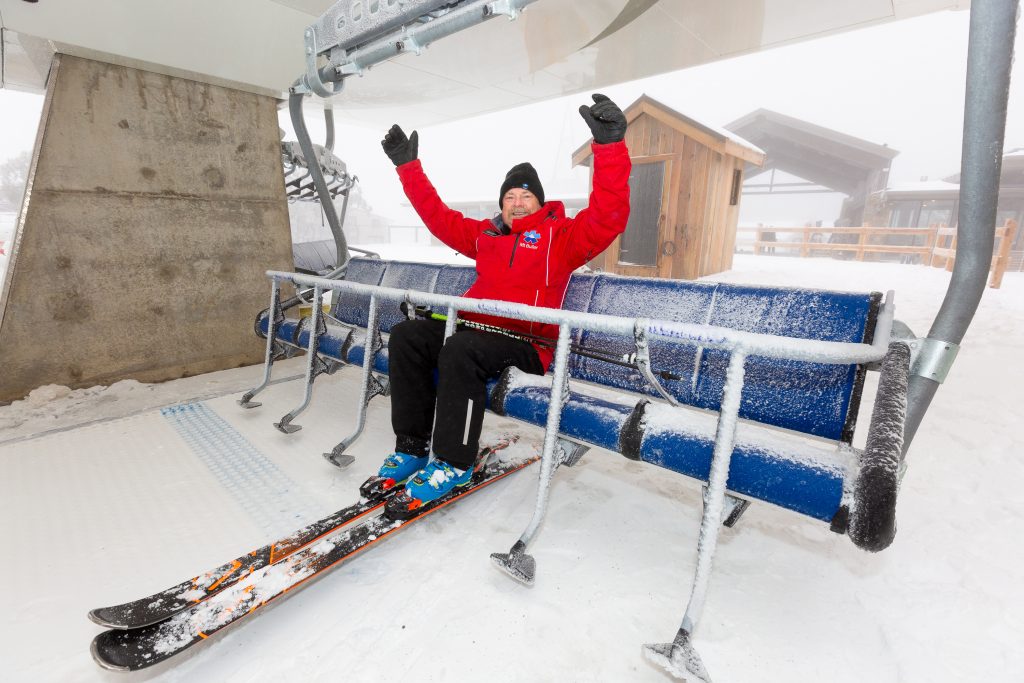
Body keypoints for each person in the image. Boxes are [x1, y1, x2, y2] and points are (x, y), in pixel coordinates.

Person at [374, 93, 631, 508]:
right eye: (509, 197)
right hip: (480, 334)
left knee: (459, 348)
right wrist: (408, 167)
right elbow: (438, 217)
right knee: (408, 336)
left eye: (525, 196)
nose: (516, 203)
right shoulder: (487, 237)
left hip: (529, 345)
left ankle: (454, 462)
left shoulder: (561, 238)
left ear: (540, 202)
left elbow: (608, 217)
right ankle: (411, 446)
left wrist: (610, 146)